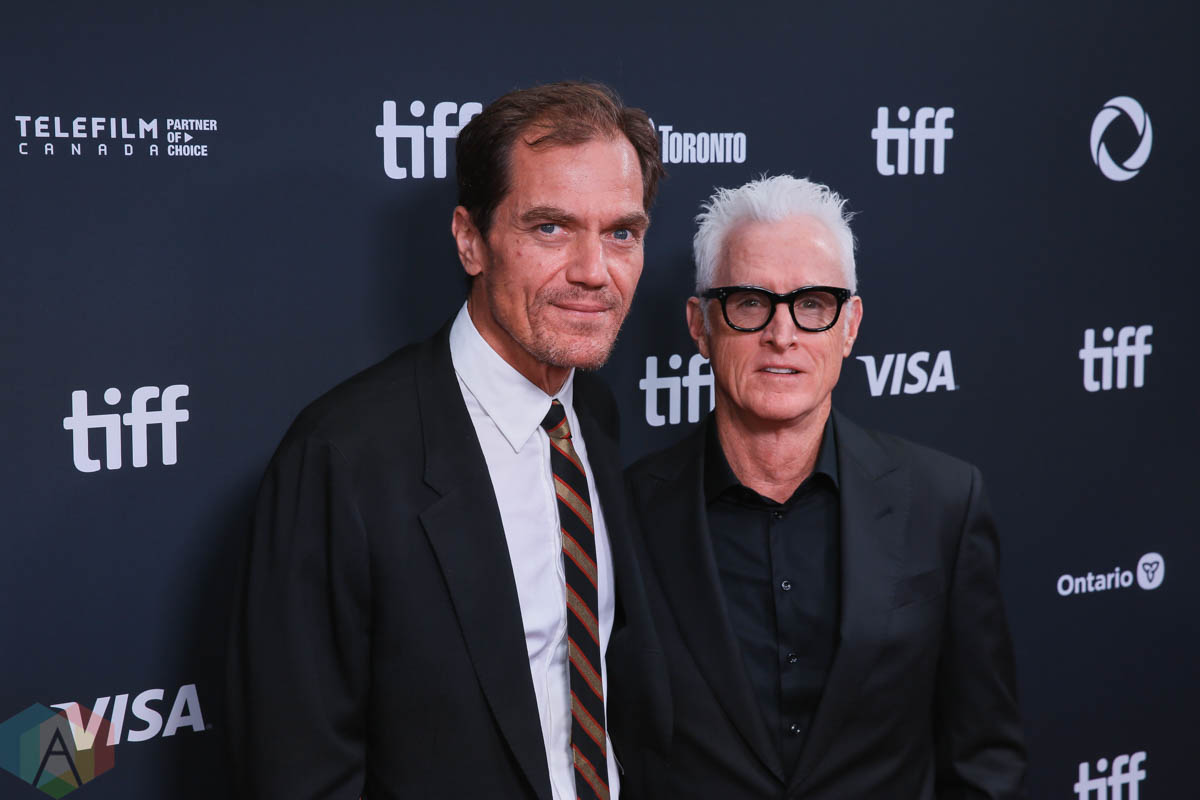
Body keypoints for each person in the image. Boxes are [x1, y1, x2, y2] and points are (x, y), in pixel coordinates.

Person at [227, 81, 668, 800]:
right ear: (470, 240)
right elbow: (298, 769)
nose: (594, 272)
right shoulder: (341, 457)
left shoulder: (594, 412)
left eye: (621, 233)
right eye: (550, 228)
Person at [623, 175, 1027, 798]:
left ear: (850, 326)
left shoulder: (944, 502)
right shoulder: (622, 514)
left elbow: (985, 759)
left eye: (812, 304)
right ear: (700, 326)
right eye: (750, 302)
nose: (781, 335)